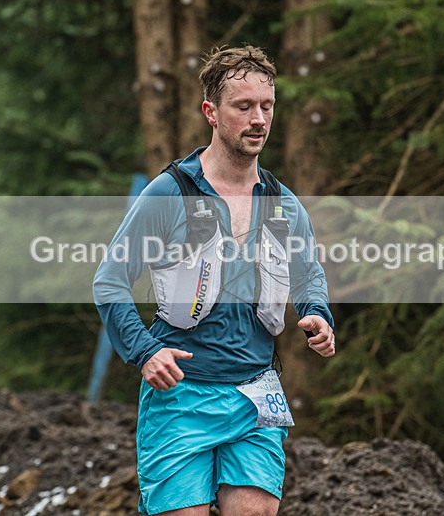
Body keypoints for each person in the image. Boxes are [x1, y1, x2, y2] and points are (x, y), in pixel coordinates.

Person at [94, 45, 335, 515]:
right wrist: (144, 351)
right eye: (243, 107)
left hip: (255, 394)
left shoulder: (283, 203)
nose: (258, 119)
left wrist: (317, 315)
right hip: (181, 394)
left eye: (266, 106)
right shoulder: (170, 192)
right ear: (211, 112)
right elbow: (110, 280)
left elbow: (308, 274)